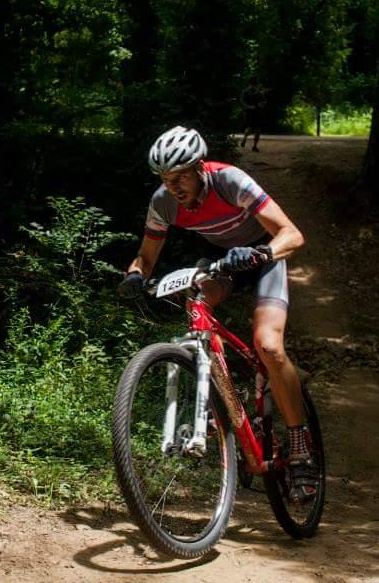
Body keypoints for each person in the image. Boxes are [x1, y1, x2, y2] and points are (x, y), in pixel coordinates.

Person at [117, 125, 317, 503]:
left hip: (263, 256)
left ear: (199, 167)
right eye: (166, 178)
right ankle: (220, 399)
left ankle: (299, 444)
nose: (174, 186)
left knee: (269, 346)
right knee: (196, 307)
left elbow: (292, 234)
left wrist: (262, 252)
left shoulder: (231, 182)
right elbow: (146, 256)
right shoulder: (163, 203)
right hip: (224, 264)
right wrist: (134, 275)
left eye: (181, 177)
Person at [240, 77, 266, 152]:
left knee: (255, 129)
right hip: (251, 112)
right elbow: (242, 101)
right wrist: (249, 107)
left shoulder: (257, 92)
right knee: (252, 128)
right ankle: (249, 142)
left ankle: (253, 145)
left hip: (255, 112)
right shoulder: (247, 92)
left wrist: (261, 105)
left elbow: (264, 101)